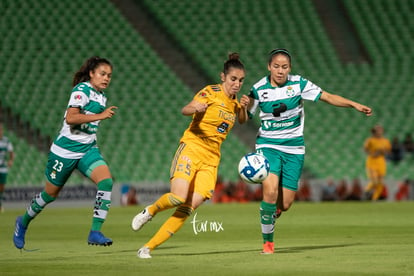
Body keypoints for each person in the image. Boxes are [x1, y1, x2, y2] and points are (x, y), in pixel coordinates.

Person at [247, 48, 372, 254]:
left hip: (294, 148)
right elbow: (244, 118)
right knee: (269, 191)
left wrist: (353, 104)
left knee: (286, 204)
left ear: (290, 68)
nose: (280, 71)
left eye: (284, 67)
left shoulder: (299, 84)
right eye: (276, 66)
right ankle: (268, 244)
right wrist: (244, 107)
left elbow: (328, 97)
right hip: (267, 145)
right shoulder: (258, 89)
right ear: (269, 66)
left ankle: (272, 212)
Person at [131, 53, 249, 259]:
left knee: (188, 208)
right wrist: (195, 107)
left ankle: (147, 248)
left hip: (211, 160)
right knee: (178, 197)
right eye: (233, 79)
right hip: (192, 148)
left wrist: (244, 109)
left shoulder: (235, 102)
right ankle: (150, 211)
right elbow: (186, 109)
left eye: (241, 80)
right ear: (223, 77)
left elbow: (242, 120)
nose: (237, 84)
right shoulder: (210, 92)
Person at [13, 56, 117, 249]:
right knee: (50, 195)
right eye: (102, 74)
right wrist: (100, 115)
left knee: (106, 182)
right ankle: (23, 221)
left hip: (87, 150)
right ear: (92, 73)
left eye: (109, 76)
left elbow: (89, 125)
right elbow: (71, 118)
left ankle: (95, 232)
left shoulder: (101, 96)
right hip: (65, 152)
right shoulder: (81, 90)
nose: (106, 79)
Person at [363, 125, 391, 201]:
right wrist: (372, 154)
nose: (379, 131)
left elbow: (388, 151)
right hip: (372, 162)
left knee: (381, 183)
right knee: (374, 181)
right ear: (374, 132)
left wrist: (384, 151)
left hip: (381, 162)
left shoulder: (386, 141)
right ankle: (366, 191)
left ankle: (374, 199)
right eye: (378, 130)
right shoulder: (370, 140)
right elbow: (365, 149)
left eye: (380, 130)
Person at [0, 122, 15, 213]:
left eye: (1, 130)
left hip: (3, 168)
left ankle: (0, 205)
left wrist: (11, 160)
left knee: (1, 188)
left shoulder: (6, 141)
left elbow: (11, 152)